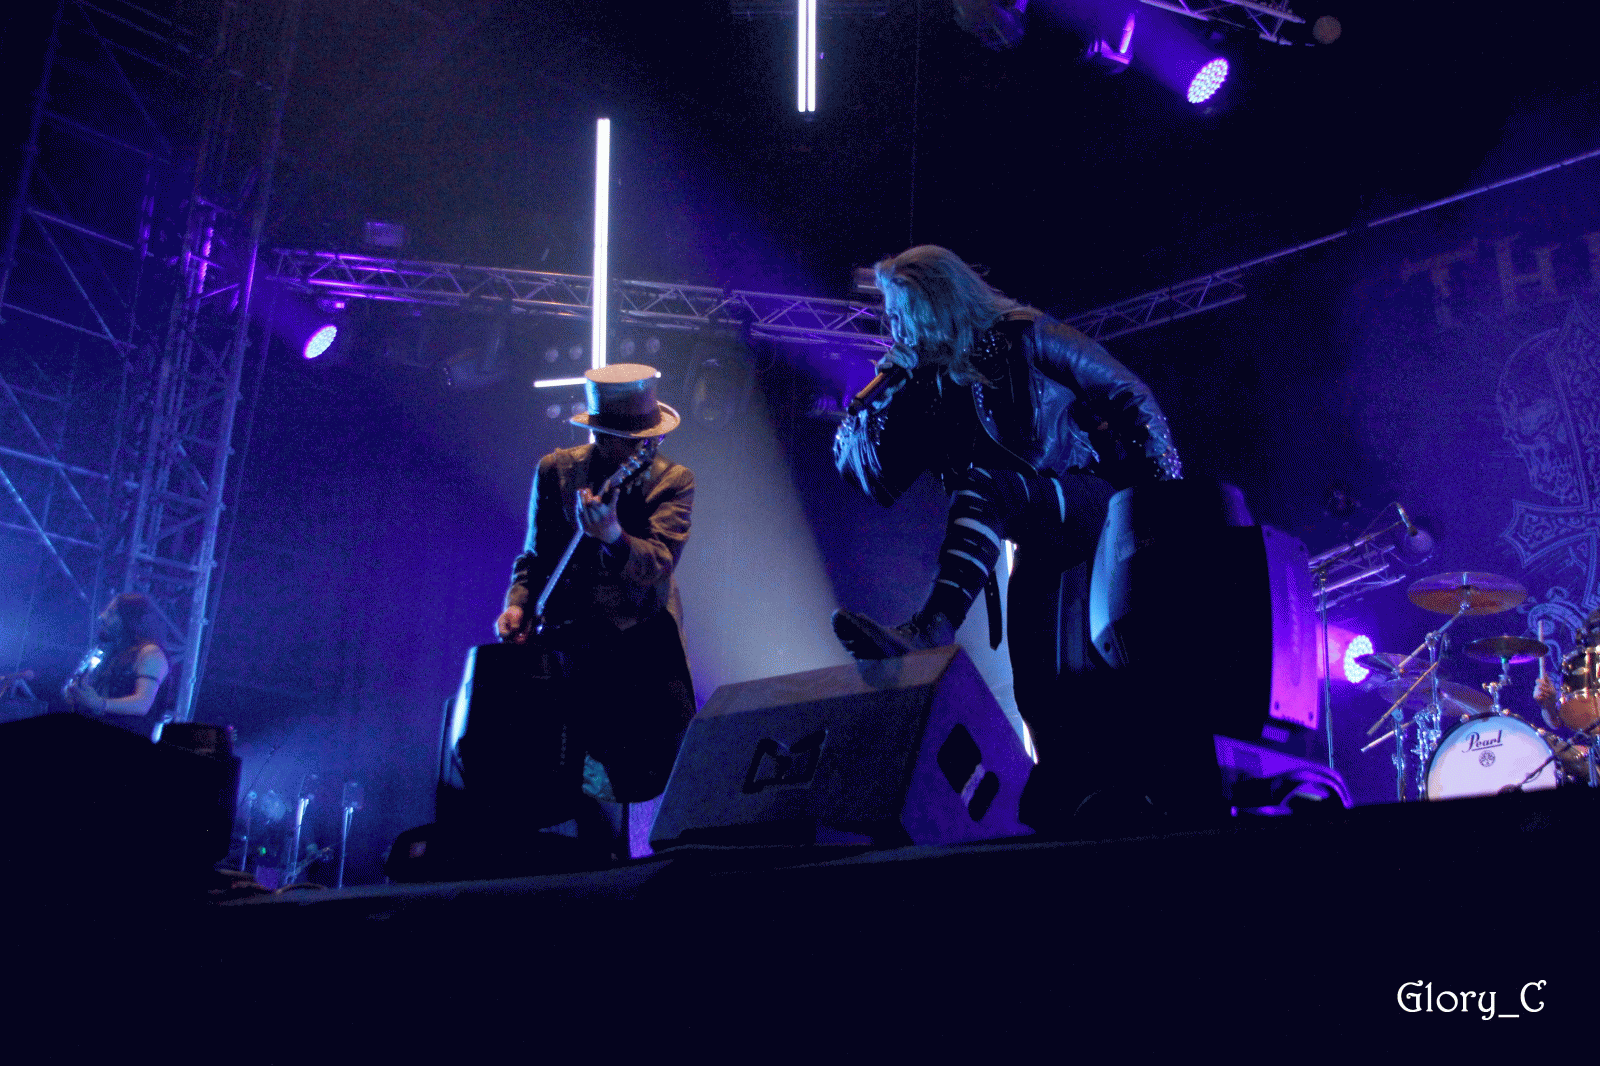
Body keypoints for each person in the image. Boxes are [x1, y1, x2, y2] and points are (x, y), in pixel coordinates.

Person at [831, 245, 1181, 821]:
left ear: (935, 300)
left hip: (1087, 501)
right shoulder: (927, 383)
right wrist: (869, 406)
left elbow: (1130, 393)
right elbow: (872, 479)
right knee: (1039, 694)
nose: (893, 326)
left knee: (988, 486)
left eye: (900, 311)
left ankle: (931, 626)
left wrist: (1160, 510)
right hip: (1033, 533)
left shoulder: (1026, 334)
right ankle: (1069, 813)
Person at [495, 363, 696, 830]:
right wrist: (517, 603)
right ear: (603, 436)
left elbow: (657, 563)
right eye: (633, 439)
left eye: (651, 438)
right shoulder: (555, 470)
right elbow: (534, 556)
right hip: (568, 647)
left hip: (639, 650)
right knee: (555, 786)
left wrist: (614, 538)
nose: (647, 447)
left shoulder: (673, 480)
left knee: (647, 779)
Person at [63, 592, 170, 737]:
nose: (102, 617)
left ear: (130, 620)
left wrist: (99, 703)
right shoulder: (113, 653)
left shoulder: (151, 654)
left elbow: (142, 704)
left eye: (111, 613)